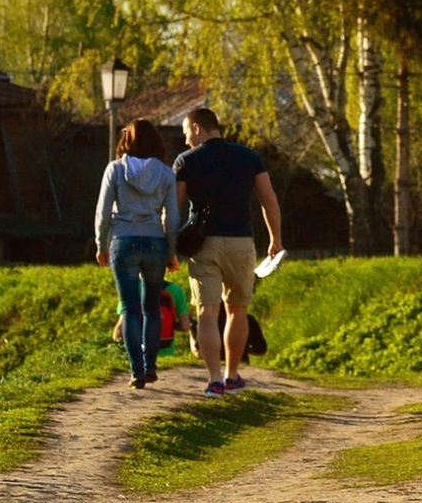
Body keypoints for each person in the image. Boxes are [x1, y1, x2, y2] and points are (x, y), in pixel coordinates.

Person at [174, 106, 283, 396]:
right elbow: (268, 200)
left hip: (203, 244)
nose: (186, 141)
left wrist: (169, 247)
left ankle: (213, 380)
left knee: (207, 312)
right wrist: (275, 240)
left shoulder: (185, 161)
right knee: (238, 310)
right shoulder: (249, 157)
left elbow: (174, 209)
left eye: (186, 133)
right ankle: (232, 374)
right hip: (240, 242)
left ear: (197, 128)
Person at [95, 118, 180, 390]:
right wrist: (172, 250)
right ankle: (151, 365)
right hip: (155, 242)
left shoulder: (115, 170)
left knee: (131, 309)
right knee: (152, 308)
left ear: (126, 141)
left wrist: (100, 244)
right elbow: (173, 216)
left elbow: (103, 211)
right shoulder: (166, 174)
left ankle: (137, 371)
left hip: (123, 240)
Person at [112, 277, 189, 357]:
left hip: (138, 353)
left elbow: (121, 327)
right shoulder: (176, 290)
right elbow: (185, 326)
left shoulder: (131, 289)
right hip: (166, 352)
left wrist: (116, 350)